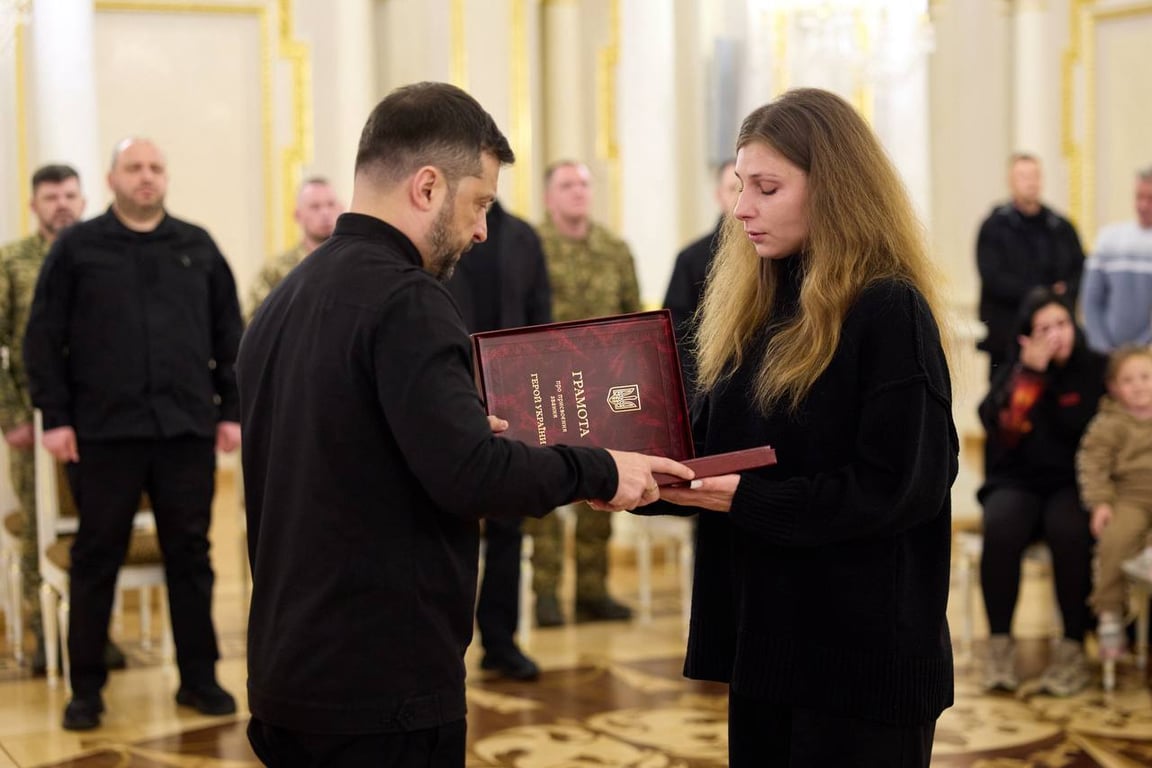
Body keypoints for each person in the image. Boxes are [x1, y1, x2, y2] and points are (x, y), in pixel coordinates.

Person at [236, 81, 692, 766]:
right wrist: (602, 465)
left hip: (289, 673)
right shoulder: (408, 300)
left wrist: (465, 432)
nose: (483, 229)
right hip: (381, 683)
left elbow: (360, 453)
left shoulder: (284, 299)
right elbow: (471, 476)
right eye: (479, 202)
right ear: (427, 187)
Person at [641, 88, 957, 766]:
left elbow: (902, 488)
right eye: (739, 185)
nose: (742, 207)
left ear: (834, 189)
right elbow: (707, 449)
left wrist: (745, 499)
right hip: (768, 644)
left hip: (861, 660)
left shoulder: (888, 309)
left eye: (767, 187)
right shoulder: (752, 308)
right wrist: (615, 461)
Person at [23, 138, 243, 730]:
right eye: (134, 168)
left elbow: (230, 334)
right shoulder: (77, 248)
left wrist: (231, 411)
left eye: (155, 168)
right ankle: (86, 688)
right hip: (103, 433)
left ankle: (199, 679)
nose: (146, 178)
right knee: (98, 556)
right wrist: (56, 417)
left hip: (185, 430)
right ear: (112, 177)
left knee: (191, 555)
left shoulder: (196, 246)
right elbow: (42, 340)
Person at [0, 164, 119, 675]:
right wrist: (11, 415)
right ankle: (41, 631)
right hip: (35, 418)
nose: (62, 205)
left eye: (71, 195)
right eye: (51, 197)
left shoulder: (101, 255)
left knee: (99, 527)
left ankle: (95, 633)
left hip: (98, 418)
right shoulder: (12, 263)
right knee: (37, 526)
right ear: (34, 205)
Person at [527, 159, 642, 627]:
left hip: (601, 386)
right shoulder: (530, 247)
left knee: (604, 482)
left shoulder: (614, 249)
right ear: (549, 196)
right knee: (546, 490)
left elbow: (633, 317)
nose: (578, 193)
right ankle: (547, 594)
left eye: (583, 185)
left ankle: (593, 590)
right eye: (567, 185)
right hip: (544, 386)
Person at [977, 287, 1105, 696]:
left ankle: (1071, 650)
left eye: (1063, 324)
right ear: (1026, 338)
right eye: (1044, 328)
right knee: (1001, 526)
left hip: (1072, 482)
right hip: (1017, 479)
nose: (1056, 334)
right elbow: (1006, 432)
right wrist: (1030, 376)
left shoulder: (1095, 370)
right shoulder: (1015, 371)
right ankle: (999, 648)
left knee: (1070, 532)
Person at [446, 199, 552, 681]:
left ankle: (500, 640)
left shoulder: (523, 237)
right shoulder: (443, 233)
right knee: (449, 521)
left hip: (513, 391)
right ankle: (448, 643)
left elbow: (541, 318)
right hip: (451, 386)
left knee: (509, 524)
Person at [976, 153, 1085, 381]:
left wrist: (1061, 295)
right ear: (1011, 181)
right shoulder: (995, 227)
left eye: (1035, 175)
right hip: (1008, 334)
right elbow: (992, 276)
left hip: (1056, 338)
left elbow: (1079, 268)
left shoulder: (1060, 226)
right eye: (1023, 176)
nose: (1030, 182)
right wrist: (1039, 296)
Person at [1076, 345, 1152, 662]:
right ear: (1114, 387)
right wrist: (1100, 503)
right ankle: (1109, 612)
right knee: (1113, 542)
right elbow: (1092, 465)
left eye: (1146, 377)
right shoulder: (1109, 424)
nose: (1139, 385)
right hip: (1130, 498)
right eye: (1129, 380)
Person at [663, 158, 740, 397]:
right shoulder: (691, 259)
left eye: (747, 188)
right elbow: (676, 335)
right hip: (705, 389)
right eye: (732, 189)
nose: (740, 198)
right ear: (719, 196)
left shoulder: (777, 251)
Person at [246, 176, 343, 319]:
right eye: (315, 207)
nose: (325, 213)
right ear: (298, 215)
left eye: (331, 205)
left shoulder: (353, 263)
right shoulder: (276, 271)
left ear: (342, 209)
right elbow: (254, 321)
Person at [1081, 166, 1152, 352]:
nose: (1143, 205)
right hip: (1107, 354)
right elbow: (1091, 300)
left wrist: (1139, 351)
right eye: (1139, 197)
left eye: (1150, 199)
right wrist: (1102, 347)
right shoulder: (1108, 238)